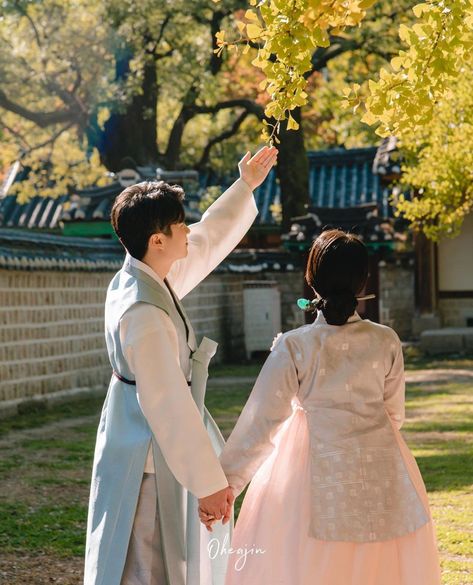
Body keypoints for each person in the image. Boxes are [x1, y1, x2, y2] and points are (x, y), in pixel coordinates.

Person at [83, 145, 278, 585]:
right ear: (158, 240)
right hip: (148, 452)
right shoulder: (144, 311)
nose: (187, 230)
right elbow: (168, 405)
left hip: (138, 435)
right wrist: (209, 486)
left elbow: (206, 239)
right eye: (178, 225)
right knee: (148, 561)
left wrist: (244, 185)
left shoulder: (144, 275)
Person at [206, 229, 441, 585]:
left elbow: (263, 421)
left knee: (306, 561)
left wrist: (227, 483)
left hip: (307, 464)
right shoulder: (385, 340)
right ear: (363, 280)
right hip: (380, 462)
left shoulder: (295, 346)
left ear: (311, 279)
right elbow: (394, 413)